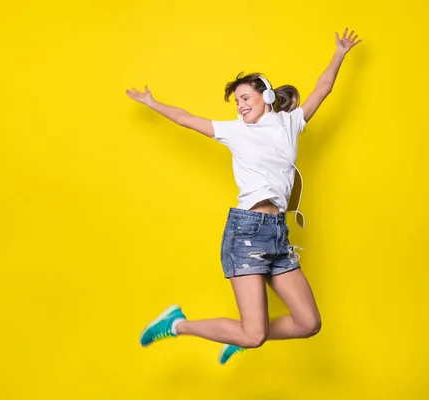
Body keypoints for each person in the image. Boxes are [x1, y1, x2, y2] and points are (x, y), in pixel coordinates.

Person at [126, 28, 361, 365]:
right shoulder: (235, 131)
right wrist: (152, 103)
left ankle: (242, 334)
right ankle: (177, 324)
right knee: (254, 335)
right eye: (236, 102)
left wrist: (339, 54)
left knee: (309, 323)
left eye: (245, 98)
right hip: (247, 233)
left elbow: (322, 90)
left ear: (265, 97)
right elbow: (188, 120)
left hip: (278, 233)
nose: (240, 106)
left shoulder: (290, 123)